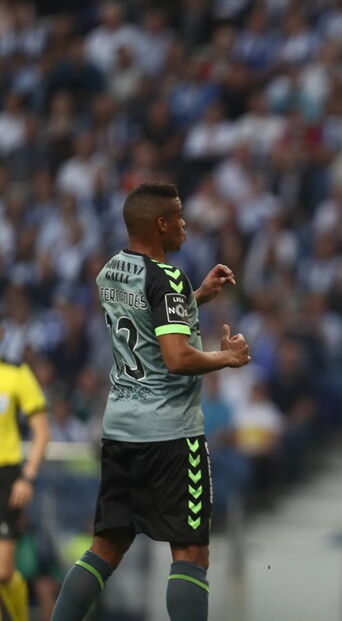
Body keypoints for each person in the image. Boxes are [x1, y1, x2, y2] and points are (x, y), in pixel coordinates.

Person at [50, 183, 251, 621]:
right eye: (178, 216)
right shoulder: (167, 277)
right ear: (161, 224)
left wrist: (194, 300)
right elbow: (176, 358)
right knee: (191, 552)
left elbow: (144, 323)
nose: (184, 224)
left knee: (106, 546)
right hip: (170, 433)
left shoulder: (110, 271)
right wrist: (227, 357)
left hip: (121, 427)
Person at [0, 326, 51, 620]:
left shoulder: (16, 374)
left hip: (6, 477)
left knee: (4, 572)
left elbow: (42, 432)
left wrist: (27, 477)